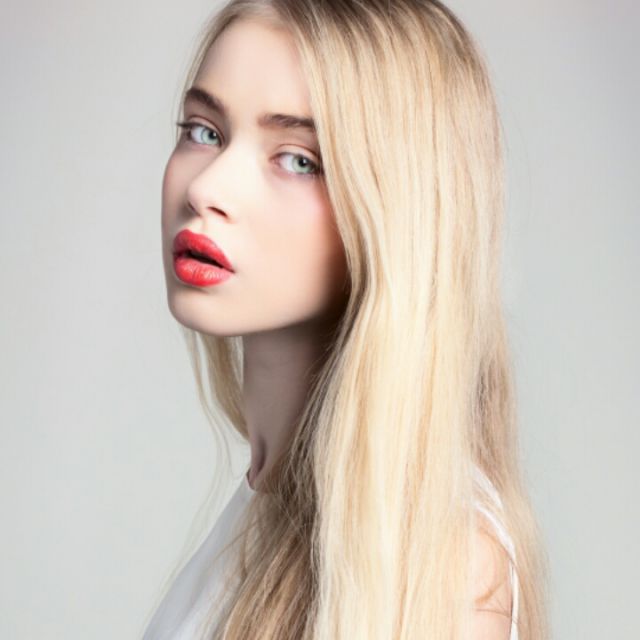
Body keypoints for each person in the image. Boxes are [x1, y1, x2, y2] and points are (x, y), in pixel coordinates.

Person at [143, 1, 550, 638]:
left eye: (298, 159)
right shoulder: (264, 507)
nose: (206, 189)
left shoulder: (437, 563)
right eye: (204, 131)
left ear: (398, 212)